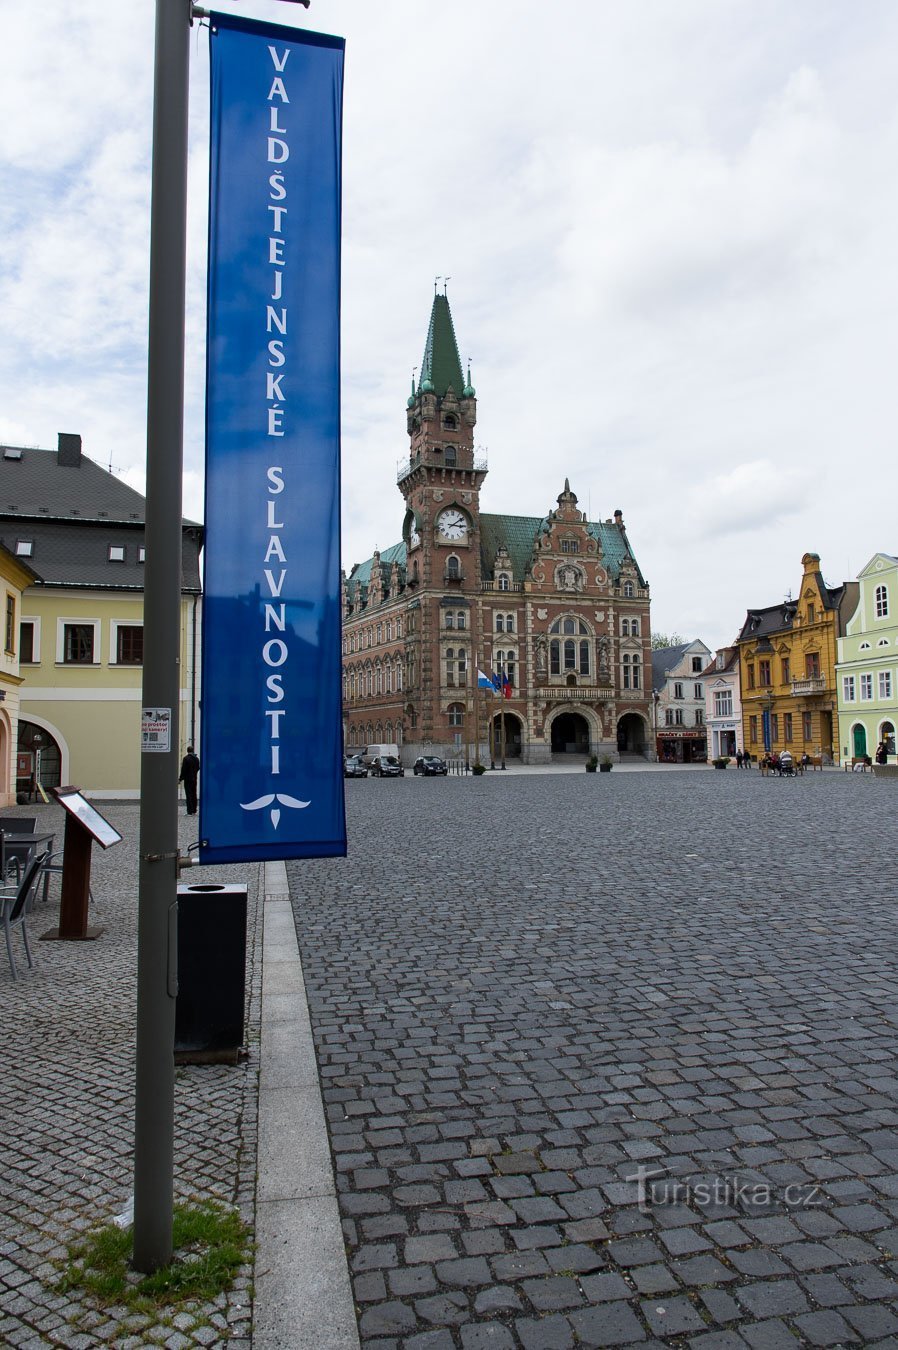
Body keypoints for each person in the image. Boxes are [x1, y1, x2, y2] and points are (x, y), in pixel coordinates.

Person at [179, 746, 200, 814]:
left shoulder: (186, 758)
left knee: (188, 795)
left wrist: (180, 778)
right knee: (194, 794)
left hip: (188, 779)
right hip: (194, 778)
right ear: (193, 750)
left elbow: (183, 770)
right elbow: (198, 768)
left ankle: (189, 811)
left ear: (187, 751)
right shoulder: (196, 759)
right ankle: (194, 810)